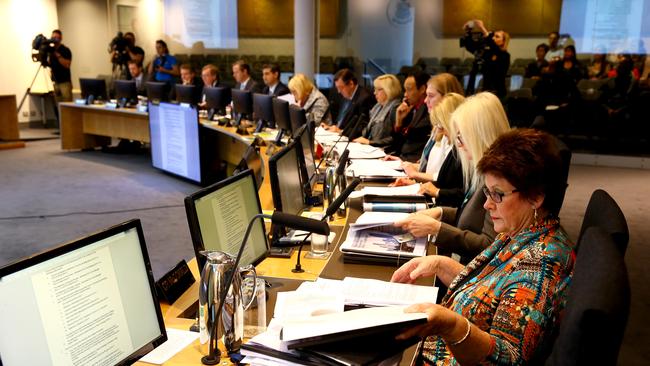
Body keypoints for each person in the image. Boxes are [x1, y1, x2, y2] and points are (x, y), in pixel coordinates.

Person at [392, 128, 574, 365]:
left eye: (497, 194)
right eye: (487, 191)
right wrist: (440, 264)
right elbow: (491, 292)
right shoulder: (522, 232)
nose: (487, 204)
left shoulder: (539, 264)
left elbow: (507, 359)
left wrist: (452, 326)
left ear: (535, 197)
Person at [394, 92, 510, 263]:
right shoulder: (483, 168)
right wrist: (440, 212)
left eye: (461, 138)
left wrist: (437, 229)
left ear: (477, 135)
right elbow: (471, 215)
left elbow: (490, 245)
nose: (459, 145)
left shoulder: (501, 177)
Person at [398, 93, 465, 208]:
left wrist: (416, 176)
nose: (425, 100)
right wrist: (417, 185)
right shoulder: (450, 140)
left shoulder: (460, 148)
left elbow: (453, 190)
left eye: (431, 95)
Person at [392, 73, 464, 177]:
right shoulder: (437, 126)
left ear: (448, 97)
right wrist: (403, 164)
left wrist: (415, 174)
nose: (425, 100)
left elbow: (443, 176)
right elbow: (428, 165)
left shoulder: (454, 131)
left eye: (431, 96)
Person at [389, 71, 431, 162]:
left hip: (414, 162)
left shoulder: (429, 112)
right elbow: (397, 144)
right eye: (405, 90)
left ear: (422, 89)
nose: (405, 94)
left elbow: (412, 138)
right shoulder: (410, 110)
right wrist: (399, 122)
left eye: (409, 89)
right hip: (402, 158)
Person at [352, 74, 402, 147]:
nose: (374, 93)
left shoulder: (395, 108)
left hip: (385, 151)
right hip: (371, 148)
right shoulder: (377, 107)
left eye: (378, 89)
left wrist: (370, 142)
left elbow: (395, 139)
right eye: (375, 89)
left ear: (389, 90)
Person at [464, 19, 510, 98]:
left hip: (496, 92)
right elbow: (470, 47)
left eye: (497, 37)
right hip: (485, 90)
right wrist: (468, 32)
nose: (493, 38)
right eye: (493, 36)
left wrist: (482, 28)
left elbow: (494, 48)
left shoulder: (504, 55)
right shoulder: (487, 53)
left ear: (503, 42)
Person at [327, 68, 375, 138]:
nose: (339, 91)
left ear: (351, 84)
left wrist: (341, 131)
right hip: (338, 134)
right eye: (337, 88)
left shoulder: (364, 98)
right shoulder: (346, 95)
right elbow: (341, 119)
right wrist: (330, 127)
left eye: (341, 88)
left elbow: (363, 127)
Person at [48, 29, 72, 103]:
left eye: (56, 37)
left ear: (60, 38)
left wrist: (58, 55)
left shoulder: (65, 50)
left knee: (67, 106)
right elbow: (50, 64)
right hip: (55, 82)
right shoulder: (51, 51)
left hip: (65, 83)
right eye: (53, 37)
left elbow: (67, 65)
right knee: (57, 106)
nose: (54, 39)